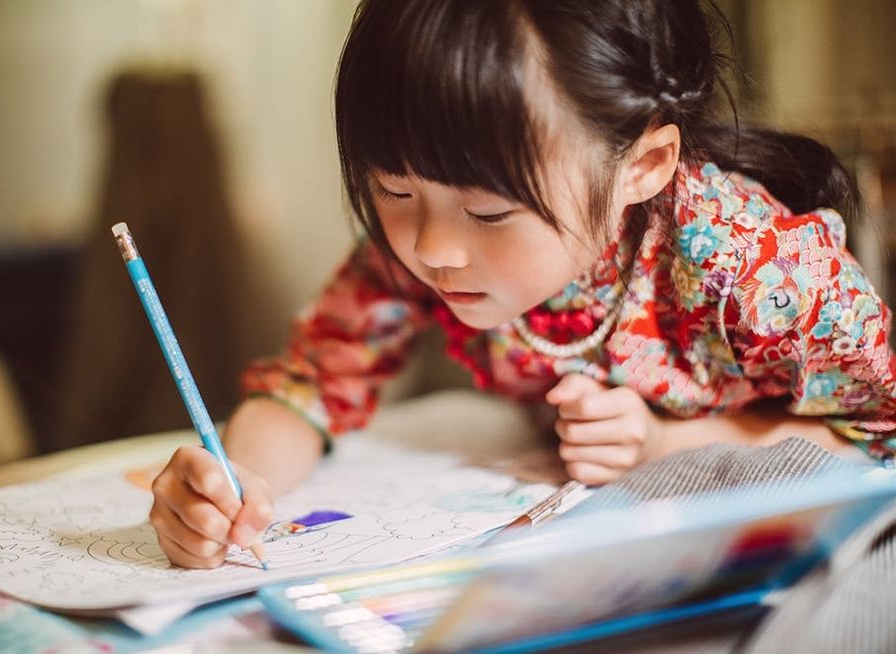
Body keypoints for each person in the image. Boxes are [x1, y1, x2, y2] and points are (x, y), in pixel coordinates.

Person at [149, 0, 896, 569]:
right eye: (393, 191)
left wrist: (673, 439)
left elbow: (882, 435)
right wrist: (231, 483)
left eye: (489, 211)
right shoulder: (406, 251)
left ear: (643, 167)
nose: (435, 250)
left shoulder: (757, 269)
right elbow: (307, 385)